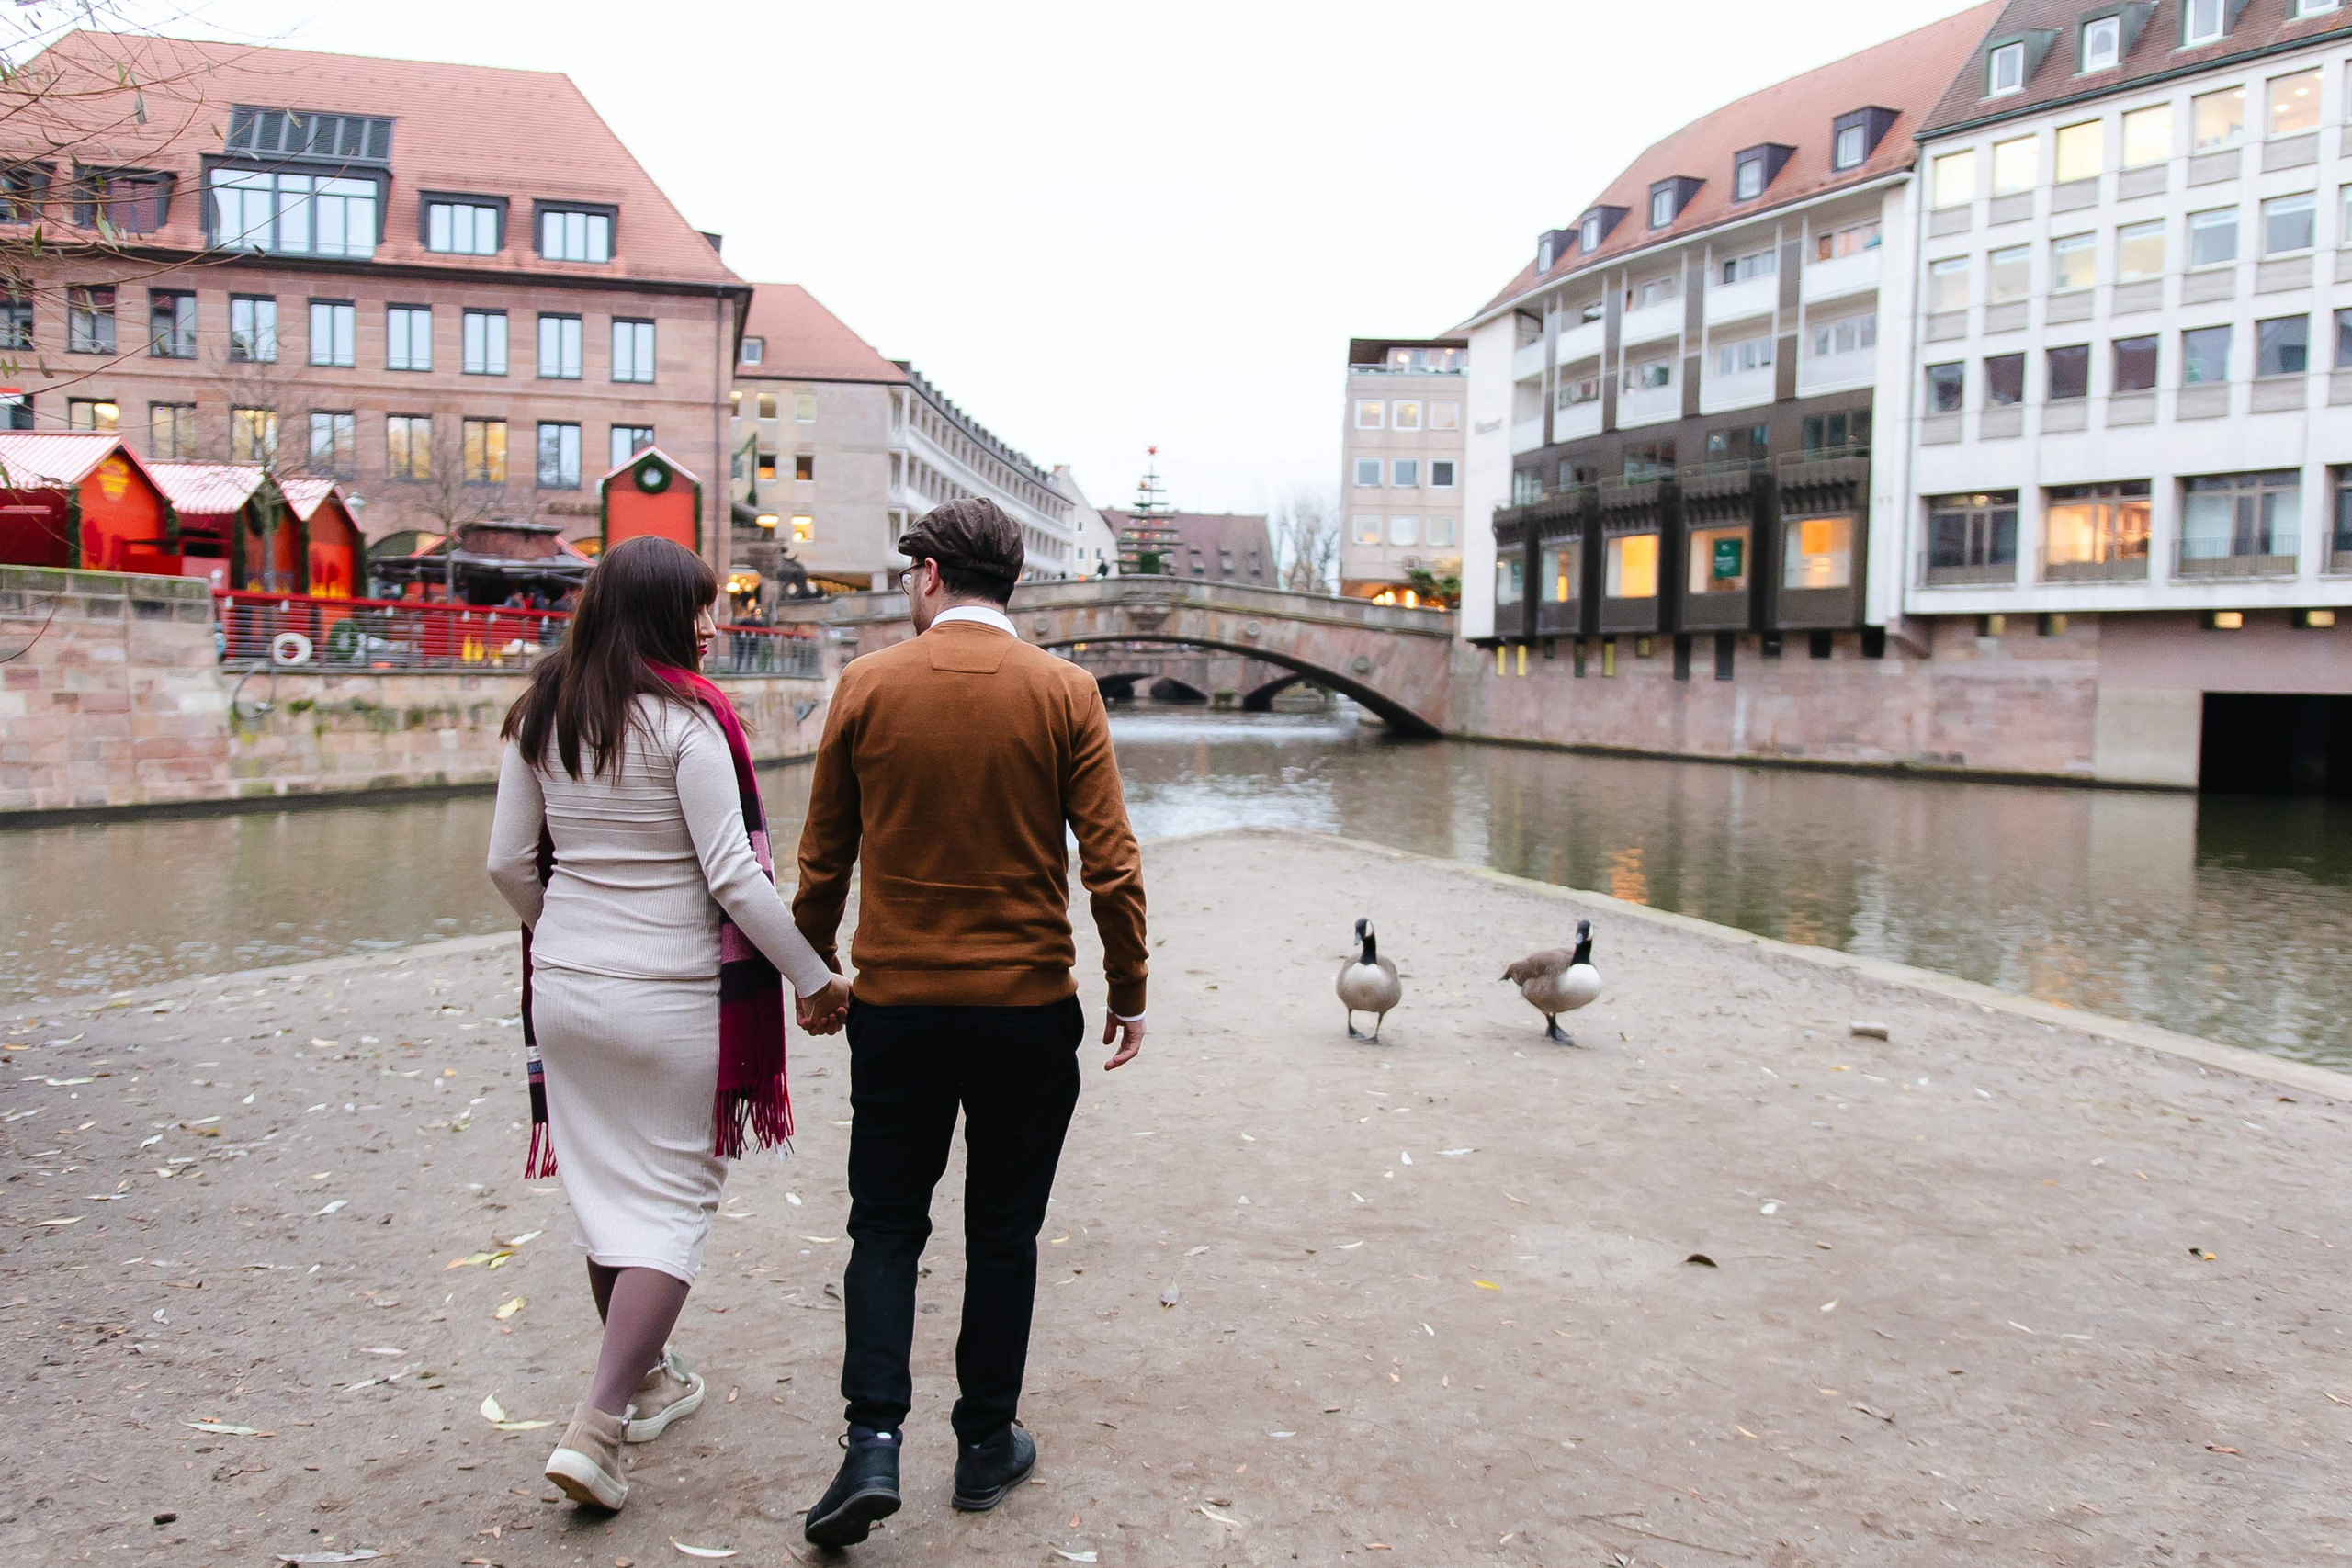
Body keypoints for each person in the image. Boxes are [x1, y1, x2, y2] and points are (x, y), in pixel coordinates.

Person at [792, 497, 1148, 1547]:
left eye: (912, 574)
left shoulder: (866, 686)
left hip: (897, 1008)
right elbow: (1112, 863)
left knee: (885, 1224)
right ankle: (985, 1445)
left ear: (933, 574)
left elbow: (823, 860)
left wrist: (816, 974)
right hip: (1027, 1010)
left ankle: (871, 1441)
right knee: (1003, 1232)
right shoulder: (1065, 691)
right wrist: (1127, 988)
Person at [485, 536, 852, 1513]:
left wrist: (563, 928)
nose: (712, 623)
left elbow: (507, 863)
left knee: (608, 1186)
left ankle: (646, 1379)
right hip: (672, 994)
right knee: (676, 1200)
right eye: (697, 606)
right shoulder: (690, 725)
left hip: (564, 989)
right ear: (653, 613)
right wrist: (814, 978)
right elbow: (735, 876)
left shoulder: (542, 713)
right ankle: (597, 1426)